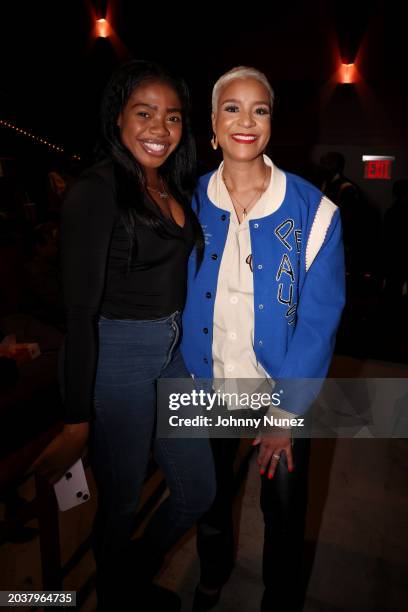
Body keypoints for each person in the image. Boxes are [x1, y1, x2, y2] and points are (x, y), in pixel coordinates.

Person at [30, 60, 215, 611]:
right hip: (121, 359)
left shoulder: (170, 183)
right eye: (145, 113)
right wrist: (76, 415)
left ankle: (129, 572)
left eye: (173, 117)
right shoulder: (96, 189)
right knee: (121, 503)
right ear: (117, 118)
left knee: (197, 490)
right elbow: (80, 313)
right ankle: (116, 594)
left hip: (174, 354)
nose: (160, 128)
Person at [180, 66, 346, 611]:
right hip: (207, 389)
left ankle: (280, 598)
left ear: (271, 121)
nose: (246, 120)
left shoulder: (315, 212)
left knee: (283, 510)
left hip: (280, 391)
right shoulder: (184, 204)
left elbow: (320, 318)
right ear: (212, 121)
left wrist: (285, 411)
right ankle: (213, 574)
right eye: (232, 107)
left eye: (260, 109)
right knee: (209, 500)